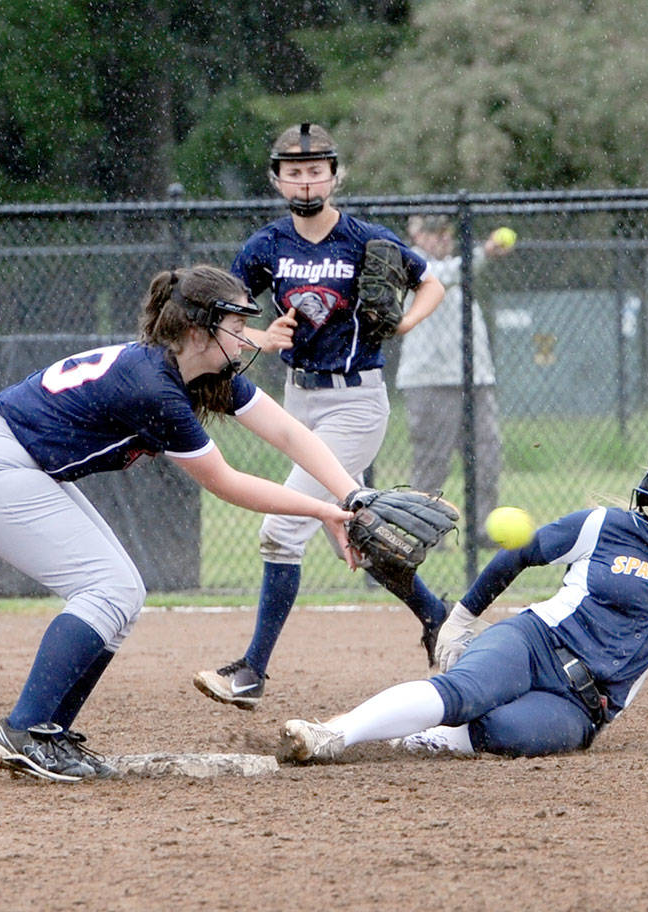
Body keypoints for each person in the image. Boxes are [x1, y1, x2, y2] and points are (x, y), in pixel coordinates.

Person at [0, 264, 367, 783]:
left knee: (124, 593)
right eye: (233, 322)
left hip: (8, 460)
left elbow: (291, 434)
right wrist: (322, 509)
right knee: (108, 588)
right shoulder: (154, 388)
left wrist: (353, 495)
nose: (245, 333)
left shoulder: (192, 372)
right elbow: (225, 482)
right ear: (196, 331)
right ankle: (23, 731)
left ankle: (46, 732)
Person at [277, 439, 648, 763]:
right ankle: (334, 733)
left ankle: (422, 735)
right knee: (464, 690)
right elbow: (518, 555)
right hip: (535, 641)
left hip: (586, 706)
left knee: (506, 734)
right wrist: (461, 618)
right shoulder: (604, 525)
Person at [192, 122, 447, 711]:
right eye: (294, 170)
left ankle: (252, 671)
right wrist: (262, 334)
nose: (306, 180)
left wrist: (405, 323)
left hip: (356, 401)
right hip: (299, 398)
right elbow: (222, 314)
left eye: (316, 169)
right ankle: (440, 617)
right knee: (352, 532)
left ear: (335, 175)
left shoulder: (365, 239)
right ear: (276, 179)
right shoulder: (265, 247)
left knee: (281, 532)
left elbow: (428, 282)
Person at [395, 216, 513, 531]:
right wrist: (485, 252)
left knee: (486, 456)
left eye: (445, 232)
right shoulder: (411, 265)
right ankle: (424, 530)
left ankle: (483, 530)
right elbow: (446, 274)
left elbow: (457, 270)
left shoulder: (459, 268)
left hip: (475, 379)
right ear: (415, 234)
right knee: (432, 462)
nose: (442, 238)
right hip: (430, 380)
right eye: (433, 233)